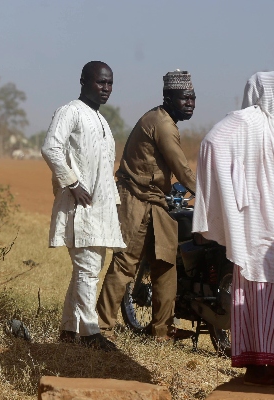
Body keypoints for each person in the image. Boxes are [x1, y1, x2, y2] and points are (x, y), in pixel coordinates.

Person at [193, 70, 274, 387]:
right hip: (263, 230)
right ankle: (256, 364)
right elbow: (213, 142)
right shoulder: (251, 122)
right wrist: (233, 195)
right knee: (260, 295)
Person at [96, 70, 197, 342]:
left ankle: (162, 332)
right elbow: (182, 169)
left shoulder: (164, 120)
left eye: (192, 98)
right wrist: (211, 195)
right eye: (184, 98)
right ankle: (103, 328)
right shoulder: (162, 124)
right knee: (126, 262)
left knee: (165, 266)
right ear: (168, 98)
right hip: (136, 198)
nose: (190, 103)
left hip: (157, 201)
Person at [41, 61, 126, 351]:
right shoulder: (70, 111)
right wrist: (72, 183)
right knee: (88, 268)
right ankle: (90, 334)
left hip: (100, 207)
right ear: (83, 81)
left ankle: (68, 329)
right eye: (101, 82)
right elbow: (50, 147)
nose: (106, 89)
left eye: (110, 83)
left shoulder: (101, 120)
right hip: (79, 206)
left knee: (87, 269)